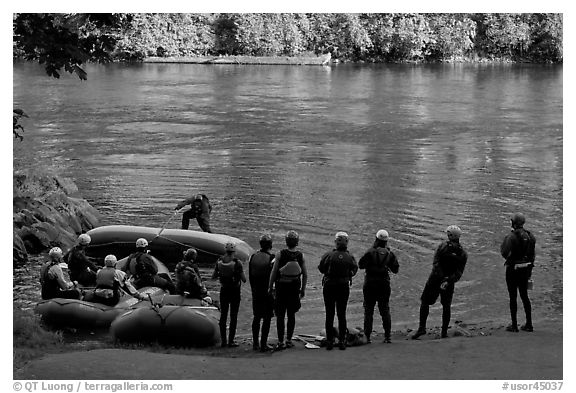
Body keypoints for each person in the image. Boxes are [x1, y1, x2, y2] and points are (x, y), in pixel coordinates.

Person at [412, 225, 468, 339]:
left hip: (435, 279)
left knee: (425, 302)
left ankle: (422, 328)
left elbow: (436, 263)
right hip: (449, 282)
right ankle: (444, 333)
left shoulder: (442, 246)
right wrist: (448, 280)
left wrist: (441, 277)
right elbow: (459, 272)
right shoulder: (463, 253)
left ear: (450, 236)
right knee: (446, 306)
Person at [268, 230, 308, 350]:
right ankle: (289, 340)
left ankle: (281, 341)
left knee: (280, 315)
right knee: (291, 315)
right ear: (297, 242)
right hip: (294, 288)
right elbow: (305, 274)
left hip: (281, 288)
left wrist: (270, 287)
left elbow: (274, 273)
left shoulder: (280, 254)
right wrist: (303, 289)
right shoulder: (301, 256)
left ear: (286, 242)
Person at [358, 229, 400, 344]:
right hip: (384, 283)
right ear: (386, 241)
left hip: (370, 283)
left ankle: (367, 337)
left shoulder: (370, 252)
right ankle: (387, 337)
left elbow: (361, 265)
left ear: (376, 239)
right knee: (385, 309)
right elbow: (395, 269)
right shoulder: (390, 254)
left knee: (368, 310)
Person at [318, 232, 358, 350]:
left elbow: (321, 268)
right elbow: (354, 269)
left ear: (336, 242)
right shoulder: (350, 257)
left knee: (329, 314)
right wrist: (347, 275)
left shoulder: (328, 255)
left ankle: (330, 341)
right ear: (347, 243)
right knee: (342, 314)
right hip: (343, 287)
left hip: (329, 286)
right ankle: (342, 341)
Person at [501, 212, 536, 333]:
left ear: (513, 223)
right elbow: (532, 256)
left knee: (513, 296)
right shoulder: (531, 236)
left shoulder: (511, 236)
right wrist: (530, 271)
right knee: (525, 296)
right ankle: (529, 324)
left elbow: (504, 252)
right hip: (526, 269)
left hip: (513, 269)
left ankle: (514, 325)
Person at [212, 241, 246, 347]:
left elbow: (213, 276)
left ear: (225, 250)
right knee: (233, 316)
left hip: (224, 290)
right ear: (234, 251)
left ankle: (223, 341)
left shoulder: (219, 261)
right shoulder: (237, 262)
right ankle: (231, 341)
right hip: (235, 291)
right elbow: (244, 279)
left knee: (223, 316)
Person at [249, 233, 275, 352]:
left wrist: (253, 289)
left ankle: (255, 343)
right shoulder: (272, 257)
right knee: (267, 318)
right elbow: (275, 276)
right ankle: (263, 344)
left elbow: (250, 275)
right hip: (267, 291)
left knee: (256, 317)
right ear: (270, 244)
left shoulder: (253, 256)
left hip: (256, 290)